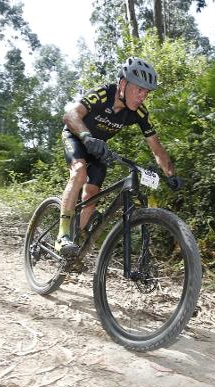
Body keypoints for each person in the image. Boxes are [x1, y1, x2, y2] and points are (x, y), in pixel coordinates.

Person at [56, 56, 183, 256]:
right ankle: (62, 236)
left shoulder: (139, 113)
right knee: (79, 172)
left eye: (146, 92)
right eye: (138, 90)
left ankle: (73, 243)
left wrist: (170, 174)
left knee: (91, 195)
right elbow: (70, 115)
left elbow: (156, 147)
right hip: (76, 136)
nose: (143, 96)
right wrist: (87, 137)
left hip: (99, 149)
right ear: (123, 84)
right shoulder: (103, 93)